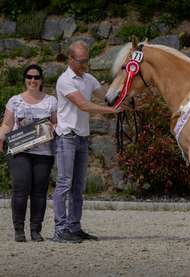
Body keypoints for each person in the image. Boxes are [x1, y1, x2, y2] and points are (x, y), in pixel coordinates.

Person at [52, 40, 121, 243]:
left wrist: (123, 96)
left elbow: (106, 96)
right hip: (67, 137)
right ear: (70, 59)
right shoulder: (65, 80)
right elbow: (83, 105)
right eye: (81, 61)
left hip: (82, 137)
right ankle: (60, 230)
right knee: (64, 183)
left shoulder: (88, 78)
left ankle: (74, 227)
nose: (84, 64)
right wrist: (111, 110)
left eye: (87, 60)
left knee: (78, 186)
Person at [0, 64, 57, 242]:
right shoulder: (15, 100)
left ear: (41, 80)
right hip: (19, 150)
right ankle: (18, 229)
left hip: (44, 152)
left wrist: (51, 127)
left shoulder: (51, 101)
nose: (33, 80)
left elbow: (56, 123)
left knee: (39, 191)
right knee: (20, 188)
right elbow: (7, 124)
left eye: (36, 77)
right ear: (25, 79)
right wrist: (1, 135)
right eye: (29, 77)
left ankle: (35, 229)